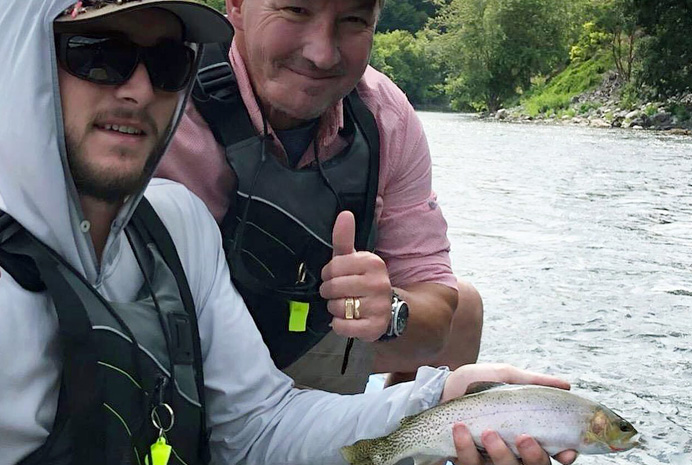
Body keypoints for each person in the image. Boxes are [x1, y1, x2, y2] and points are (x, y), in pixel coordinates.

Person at [0, 1, 577, 464]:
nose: (140, 90)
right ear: (237, 10)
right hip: (206, 346)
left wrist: (440, 402)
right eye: (99, 54)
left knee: (463, 308)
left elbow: (257, 428)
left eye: (170, 63)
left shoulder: (177, 224)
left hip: (260, 358)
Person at [155, 0, 484, 393]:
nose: (322, 55)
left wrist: (388, 309)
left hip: (299, 335)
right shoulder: (154, 89)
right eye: (296, 10)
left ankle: (396, 445)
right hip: (171, 341)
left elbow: (435, 304)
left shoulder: (386, 117)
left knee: (464, 310)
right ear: (236, 6)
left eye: (353, 21)